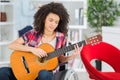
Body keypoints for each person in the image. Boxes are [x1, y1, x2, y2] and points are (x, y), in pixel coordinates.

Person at [0, 2, 81, 80]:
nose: (53, 24)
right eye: (51, 20)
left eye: (56, 22)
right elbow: (12, 45)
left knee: (43, 74)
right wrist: (33, 49)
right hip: (27, 72)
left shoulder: (61, 37)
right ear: (44, 19)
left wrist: (71, 57)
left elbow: (60, 59)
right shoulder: (33, 33)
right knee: (3, 72)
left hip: (47, 74)